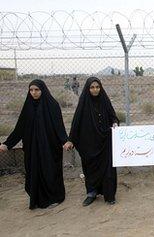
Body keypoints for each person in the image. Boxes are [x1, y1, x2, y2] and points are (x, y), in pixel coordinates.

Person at [0, 80, 68, 209]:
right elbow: (19, 128)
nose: (34, 93)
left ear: (43, 90)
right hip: (32, 148)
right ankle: (37, 199)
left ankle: (54, 198)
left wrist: (65, 141)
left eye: (37, 90)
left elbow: (59, 127)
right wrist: (7, 144)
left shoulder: (52, 105)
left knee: (50, 171)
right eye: (31, 90)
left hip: (49, 147)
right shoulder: (28, 107)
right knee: (34, 171)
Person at [65, 77, 119, 206]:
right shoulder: (83, 104)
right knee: (90, 169)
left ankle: (109, 195)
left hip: (105, 141)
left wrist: (115, 123)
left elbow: (113, 117)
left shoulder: (105, 102)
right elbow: (76, 123)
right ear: (87, 89)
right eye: (92, 87)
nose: (95, 90)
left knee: (108, 169)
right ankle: (91, 193)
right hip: (88, 143)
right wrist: (71, 140)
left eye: (97, 87)